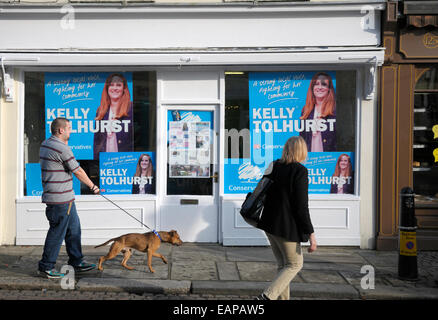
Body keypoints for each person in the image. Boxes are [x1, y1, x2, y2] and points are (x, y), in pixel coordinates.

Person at [256, 136, 317, 300]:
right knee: (295, 264)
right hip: (286, 228)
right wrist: (311, 234)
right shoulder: (300, 171)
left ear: (286, 149)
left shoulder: (274, 165)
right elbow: (301, 207)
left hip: (269, 224)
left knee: (284, 266)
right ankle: (267, 296)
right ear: (302, 151)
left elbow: (262, 191)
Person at [38, 117, 100, 279]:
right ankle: (46, 266)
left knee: (74, 230)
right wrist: (93, 187)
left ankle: (76, 261)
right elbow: (77, 171)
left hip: (63, 198)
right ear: (61, 130)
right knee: (57, 233)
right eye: (69, 128)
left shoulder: (46, 143)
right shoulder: (61, 148)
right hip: (60, 200)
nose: (71, 131)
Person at [93, 73, 133, 160]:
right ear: (107, 89)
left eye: (118, 85)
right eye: (111, 85)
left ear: (124, 89)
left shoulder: (131, 109)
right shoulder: (101, 110)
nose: (115, 88)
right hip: (105, 160)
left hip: (126, 159)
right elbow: (97, 142)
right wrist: (96, 163)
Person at [299, 72, 337, 152]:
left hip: (329, 157)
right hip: (310, 157)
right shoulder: (306, 110)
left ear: (329, 89)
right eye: (316, 84)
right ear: (312, 88)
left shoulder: (335, 111)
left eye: (324, 84)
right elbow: (301, 140)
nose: (320, 87)